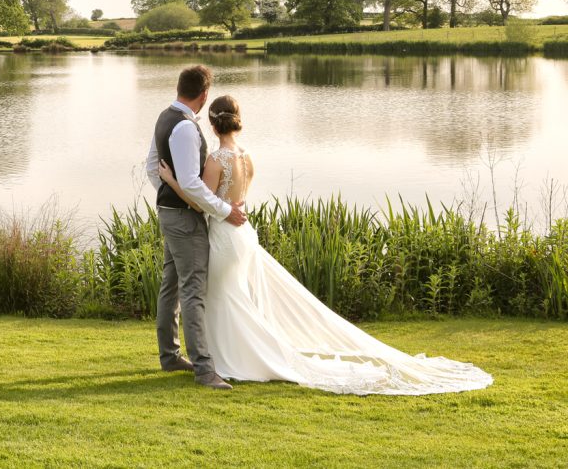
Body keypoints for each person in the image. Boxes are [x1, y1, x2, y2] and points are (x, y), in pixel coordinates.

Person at [157, 93, 493, 395]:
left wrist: (172, 180)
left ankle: (233, 358)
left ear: (213, 126)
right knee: (234, 295)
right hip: (244, 233)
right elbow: (238, 198)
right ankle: (226, 355)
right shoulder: (246, 157)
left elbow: (202, 202)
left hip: (224, 233)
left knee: (223, 296)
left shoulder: (216, 161)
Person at [144, 65, 247, 390]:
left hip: (169, 212)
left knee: (171, 284)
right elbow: (189, 181)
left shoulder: (164, 117)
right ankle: (204, 369)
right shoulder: (187, 129)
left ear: (179, 88)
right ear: (204, 95)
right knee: (192, 290)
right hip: (184, 219)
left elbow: (152, 168)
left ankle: (170, 356)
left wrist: (168, 194)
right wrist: (222, 210)